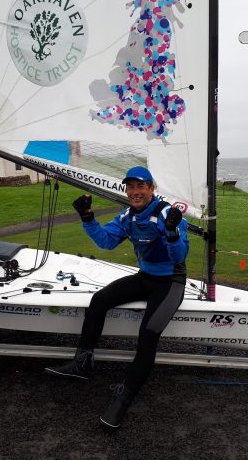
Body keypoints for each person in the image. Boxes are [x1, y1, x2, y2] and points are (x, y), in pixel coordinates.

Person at [45, 166, 189, 429]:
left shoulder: (168, 214)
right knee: (99, 300)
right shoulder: (127, 218)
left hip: (170, 282)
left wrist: (171, 233)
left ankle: (124, 398)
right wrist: (87, 217)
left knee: (148, 335)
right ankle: (82, 363)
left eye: (141, 186)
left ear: (151, 189)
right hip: (145, 277)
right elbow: (106, 242)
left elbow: (179, 257)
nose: (135, 192)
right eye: (131, 187)